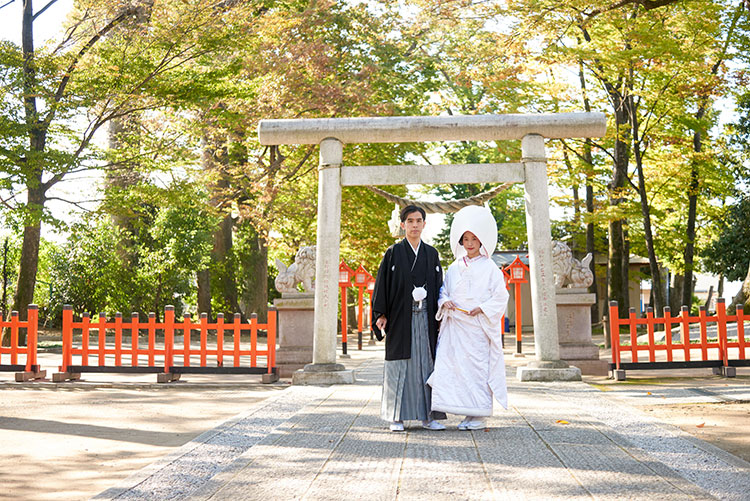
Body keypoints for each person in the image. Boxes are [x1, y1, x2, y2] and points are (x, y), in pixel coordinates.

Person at [427, 205, 509, 430]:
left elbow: (501, 295)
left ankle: (479, 414)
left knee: (477, 369)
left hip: (477, 327)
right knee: (456, 369)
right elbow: (443, 291)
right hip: (456, 326)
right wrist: (445, 302)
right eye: (466, 238)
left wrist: (482, 308)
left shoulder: (490, 268)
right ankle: (467, 413)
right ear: (461, 242)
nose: (470, 243)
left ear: (481, 241)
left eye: (474, 238)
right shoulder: (453, 267)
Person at [371, 205, 446, 432]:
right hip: (401, 318)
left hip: (425, 317)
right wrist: (381, 313)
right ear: (403, 224)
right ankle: (396, 417)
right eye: (410, 221)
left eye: (418, 221)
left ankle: (428, 416)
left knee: (427, 364)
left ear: (424, 224)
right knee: (400, 366)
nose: (414, 225)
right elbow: (382, 285)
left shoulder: (431, 254)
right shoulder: (393, 253)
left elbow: (439, 286)